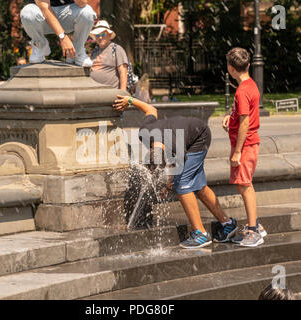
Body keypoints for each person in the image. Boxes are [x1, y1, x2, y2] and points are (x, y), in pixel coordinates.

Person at [113, 95, 238, 249]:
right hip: (187, 133)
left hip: (199, 137)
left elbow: (178, 163)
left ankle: (200, 234)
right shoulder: (144, 132)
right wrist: (130, 100)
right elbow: (151, 109)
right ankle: (227, 223)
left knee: (182, 185)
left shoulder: (175, 146)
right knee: (198, 186)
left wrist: (170, 181)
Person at [222, 47, 266, 247]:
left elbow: (245, 122)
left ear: (231, 69)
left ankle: (253, 229)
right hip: (248, 142)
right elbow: (241, 117)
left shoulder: (241, 91)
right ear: (248, 65)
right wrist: (229, 119)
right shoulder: (250, 85)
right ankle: (255, 224)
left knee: (244, 185)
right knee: (244, 183)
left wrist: (238, 152)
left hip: (245, 145)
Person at [20, 0, 96, 67]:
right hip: (43, 18)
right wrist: (62, 37)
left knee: (87, 12)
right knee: (27, 12)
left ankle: (77, 52)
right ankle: (40, 45)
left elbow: (82, 3)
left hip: (66, 16)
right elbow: (45, 9)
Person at [89, 20, 128, 91]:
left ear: (109, 36)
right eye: (97, 35)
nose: (100, 37)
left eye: (103, 34)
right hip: (94, 93)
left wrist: (123, 93)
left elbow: (123, 71)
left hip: (111, 93)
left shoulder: (117, 49)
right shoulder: (94, 51)